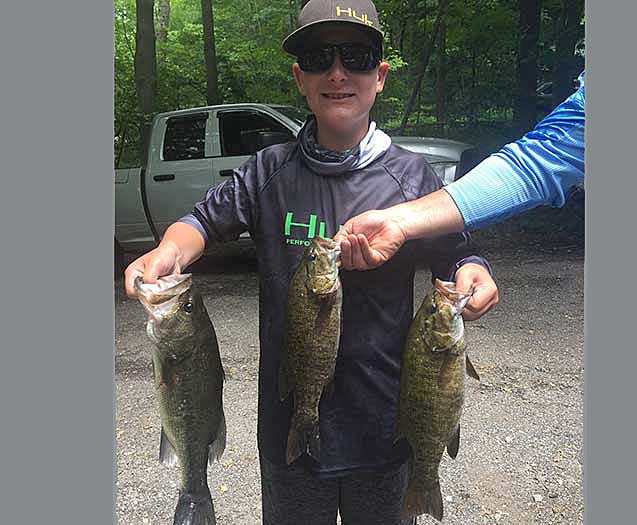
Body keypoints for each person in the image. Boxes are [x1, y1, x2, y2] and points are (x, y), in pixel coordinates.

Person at [124, 1, 498, 523]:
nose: (338, 72)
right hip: (289, 424)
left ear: (381, 76)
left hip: (386, 421)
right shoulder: (267, 172)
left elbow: (457, 255)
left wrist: (471, 273)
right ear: (300, 78)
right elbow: (201, 224)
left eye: (357, 56)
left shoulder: (413, 180)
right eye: (319, 57)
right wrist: (168, 251)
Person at [335, 71, 585, 284]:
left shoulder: (410, 169)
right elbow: (542, 158)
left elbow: (540, 160)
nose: (337, 75)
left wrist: (468, 265)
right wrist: (398, 221)